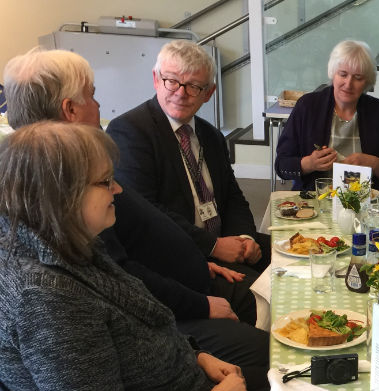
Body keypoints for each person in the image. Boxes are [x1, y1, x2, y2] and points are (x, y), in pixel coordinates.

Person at [0, 122, 269, 391]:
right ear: (61, 196)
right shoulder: (46, 296)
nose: (118, 190)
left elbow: (139, 326)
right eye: (105, 181)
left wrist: (196, 357)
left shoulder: (60, 245)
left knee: (288, 381)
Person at [3, 47, 268, 368]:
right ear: (70, 109)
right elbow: (118, 276)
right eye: (93, 95)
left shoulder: (67, 168)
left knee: (272, 283)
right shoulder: (64, 186)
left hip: (185, 278)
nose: (100, 106)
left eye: (194, 86)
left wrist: (200, 257)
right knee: (267, 350)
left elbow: (139, 236)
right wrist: (199, 300)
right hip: (162, 312)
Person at [106, 39, 270, 273]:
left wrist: (245, 238)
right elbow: (146, 212)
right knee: (258, 294)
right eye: (171, 81)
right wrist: (213, 246)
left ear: (209, 93)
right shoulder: (130, 131)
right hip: (176, 255)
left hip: (223, 239)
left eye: (194, 86)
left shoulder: (211, 135)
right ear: (156, 79)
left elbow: (232, 196)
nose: (181, 94)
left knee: (295, 260)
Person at [274, 40, 379, 192]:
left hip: (366, 202)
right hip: (315, 201)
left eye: (358, 78)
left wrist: (374, 163)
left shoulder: (378, 111)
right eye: (343, 74)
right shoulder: (307, 107)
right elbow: (281, 165)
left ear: (368, 81)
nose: (348, 84)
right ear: (333, 73)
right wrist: (310, 163)